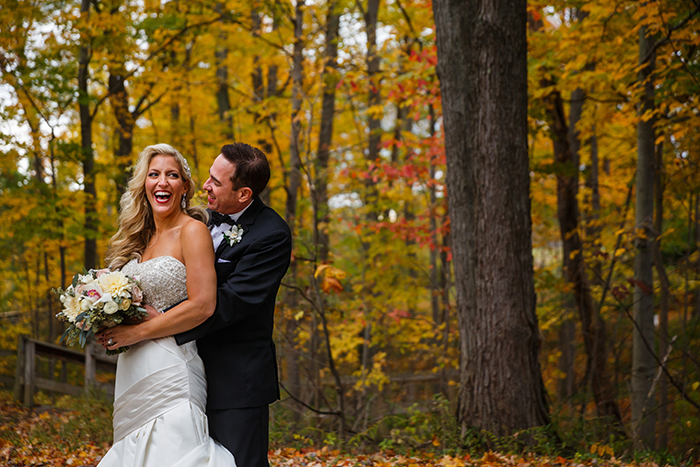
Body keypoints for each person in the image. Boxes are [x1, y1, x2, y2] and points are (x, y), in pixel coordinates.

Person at [100, 142, 292, 467]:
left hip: (233, 380)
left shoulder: (271, 235)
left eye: (216, 182)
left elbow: (229, 303)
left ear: (244, 194)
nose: (206, 186)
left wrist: (149, 329)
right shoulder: (199, 219)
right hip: (169, 366)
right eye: (208, 176)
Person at [96, 144, 235, 466]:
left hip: (170, 364)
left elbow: (203, 306)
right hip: (131, 367)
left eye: (172, 175)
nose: (162, 182)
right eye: (154, 174)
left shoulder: (193, 230)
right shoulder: (137, 239)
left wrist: (137, 332)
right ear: (143, 183)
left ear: (184, 186)